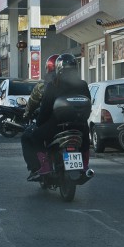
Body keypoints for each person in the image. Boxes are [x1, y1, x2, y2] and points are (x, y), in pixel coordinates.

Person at [22, 53, 91, 181]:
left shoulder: (53, 85)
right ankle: (85, 164)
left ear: (58, 69)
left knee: (36, 136)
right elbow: (88, 105)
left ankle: (45, 165)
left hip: (57, 126)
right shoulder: (82, 85)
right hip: (80, 125)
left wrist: (39, 123)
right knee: (85, 139)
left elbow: (45, 109)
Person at [22, 54, 59, 122]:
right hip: (74, 122)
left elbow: (32, 102)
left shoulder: (42, 85)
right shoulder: (75, 83)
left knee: (30, 132)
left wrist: (27, 114)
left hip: (49, 120)